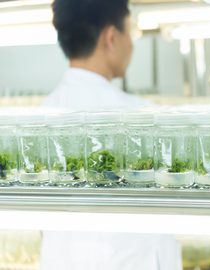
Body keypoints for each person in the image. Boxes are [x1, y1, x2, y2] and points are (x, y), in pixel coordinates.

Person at [40, 0, 181, 269]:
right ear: (111, 38)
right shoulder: (142, 117)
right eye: (131, 32)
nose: (133, 44)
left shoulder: (40, 116)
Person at [43, 0, 151, 109]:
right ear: (111, 39)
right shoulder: (140, 112)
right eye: (130, 34)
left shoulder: (45, 108)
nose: (131, 45)